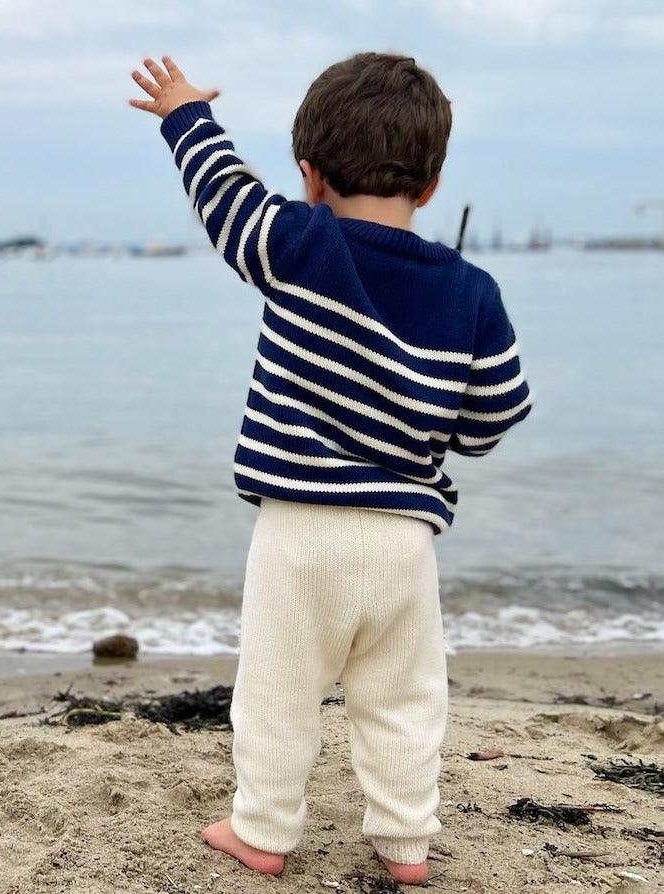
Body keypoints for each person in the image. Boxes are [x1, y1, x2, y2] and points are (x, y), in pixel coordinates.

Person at [128, 52, 532, 885]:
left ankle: (264, 830)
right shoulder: (473, 291)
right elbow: (493, 419)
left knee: (277, 692)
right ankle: (405, 846)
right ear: (431, 183)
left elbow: (224, 195)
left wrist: (185, 114)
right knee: (405, 699)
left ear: (310, 176)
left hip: (299, 533)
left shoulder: (297, 244)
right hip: (403, 543)